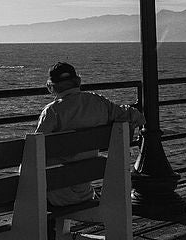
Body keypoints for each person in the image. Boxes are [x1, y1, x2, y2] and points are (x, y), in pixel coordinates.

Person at [36, 61, 145, 208]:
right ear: (77, 81)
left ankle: (49, 229)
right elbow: (136, 116)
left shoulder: (52, 111)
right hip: (84, 191)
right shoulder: (98, 102)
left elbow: (33, 152)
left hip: (56, 194)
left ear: (51, 86)